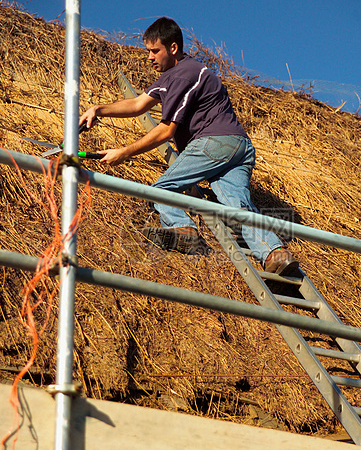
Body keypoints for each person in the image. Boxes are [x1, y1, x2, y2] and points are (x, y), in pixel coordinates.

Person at [79, 17, 299, 276]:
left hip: (214, 144)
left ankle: (183, 229)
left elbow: (166, 130)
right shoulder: (173, 76)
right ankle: (274, 252)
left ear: (173, 48)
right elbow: (139, 104)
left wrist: (124, 152)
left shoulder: (185, 74)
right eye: (147, 51)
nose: (149, 57)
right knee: (236, 205)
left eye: (154, 51)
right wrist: (99, 110)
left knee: (162, 190)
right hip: (238, 147)